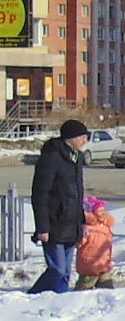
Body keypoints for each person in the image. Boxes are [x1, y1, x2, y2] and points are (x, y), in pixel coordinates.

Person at [29, 119, 90, 294]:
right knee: (57, 270)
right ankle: (34, 296)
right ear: (70, 137)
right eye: (81, 137)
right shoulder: (52, 157)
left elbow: (77, 193)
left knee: (65, 273)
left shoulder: (75, 158)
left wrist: (82, 221)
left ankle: (59, 303)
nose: (84, 141)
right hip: (54, 224)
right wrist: (42, 227)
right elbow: (40, 194)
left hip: (71, 225)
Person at [75, 198, 116, 290]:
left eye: (104, 210)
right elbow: (78, 244)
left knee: (107, 288)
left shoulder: (106, 227)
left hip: (104, 264)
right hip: (89, 265)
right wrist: (80, 235)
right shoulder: (87, 228)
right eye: (99, 210)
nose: (103, 213)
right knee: (84, 287)